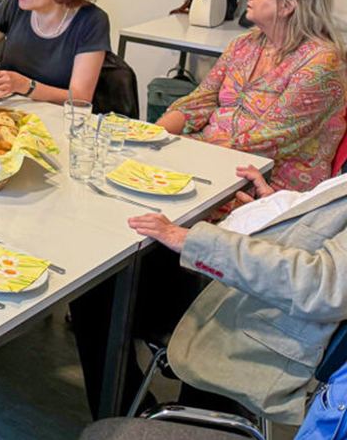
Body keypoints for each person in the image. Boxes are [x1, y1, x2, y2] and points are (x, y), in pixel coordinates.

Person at [118, 166, 347, 425]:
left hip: (262, 324)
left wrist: (191, 241)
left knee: (109, 286)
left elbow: (323, 288)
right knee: (125, 267)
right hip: (260, 299)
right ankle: (145, 416)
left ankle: (133, 421)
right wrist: (281, 217)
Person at [158, 0, 346, 193]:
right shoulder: (243, 44)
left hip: (270, 179)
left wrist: (186, 150)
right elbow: (201, 100)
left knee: (166, 198)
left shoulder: (321, 62)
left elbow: (268, 138)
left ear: (287, 6)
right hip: (213, 156)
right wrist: (155, 135)